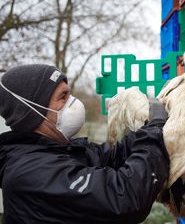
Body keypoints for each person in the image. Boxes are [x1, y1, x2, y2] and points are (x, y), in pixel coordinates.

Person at [0, 64, 170, 223]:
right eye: (63, 97)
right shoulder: (32, 172)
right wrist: (154, 131)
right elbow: (124, 197)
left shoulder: (57, 150)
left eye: (69, 94)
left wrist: (150, 127)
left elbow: (112, 157)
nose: (73, 102)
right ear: (33, 112)